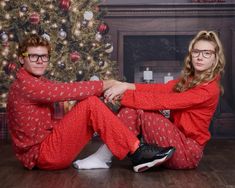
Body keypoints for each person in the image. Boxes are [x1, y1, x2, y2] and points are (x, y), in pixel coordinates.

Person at [6, 34, 175, 173]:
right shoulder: (26, 85)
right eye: (34, 56)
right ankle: (137, 151)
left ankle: (130, 149)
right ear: (22, 59)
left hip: (45, 147)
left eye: (44, 56)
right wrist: (105, 84)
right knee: (90, 104)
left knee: (90, 103)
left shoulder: (36, 81)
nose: (40, 61)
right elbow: (67, 91)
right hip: (43, 155)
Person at [75, 30, 225, 170]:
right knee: (133, 109)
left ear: (215, 59)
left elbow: (166, 101)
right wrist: (126, 85)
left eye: (207, 53)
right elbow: (160, 89)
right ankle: (104, 156)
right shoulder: (190, 80)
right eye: (196, 51)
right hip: (173, 140)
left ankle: (103, 156)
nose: (200, 57)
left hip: (187, 152)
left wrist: (122, 95)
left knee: (139, 109)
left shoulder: (209, 89)